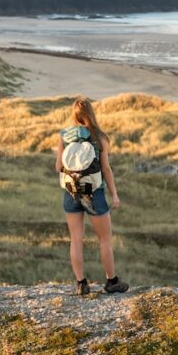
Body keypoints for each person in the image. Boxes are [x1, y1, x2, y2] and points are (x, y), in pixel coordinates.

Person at [55, 97, 128, 295]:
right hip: (94, 193)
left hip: (71, 192)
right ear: (91, 113)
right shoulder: (99, 137)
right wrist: (114, 195)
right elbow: (105, 168)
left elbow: (58, 167)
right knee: (105, 239)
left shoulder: (64, 135)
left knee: (76, 239)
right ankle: (111, 281)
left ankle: (81, 284)